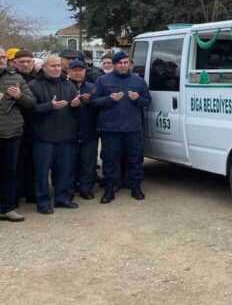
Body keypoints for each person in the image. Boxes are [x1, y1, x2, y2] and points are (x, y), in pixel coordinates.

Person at [91, 51, 151, 203]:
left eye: (126, 63)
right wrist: (109, 99)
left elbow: (147, 101)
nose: (123, 66)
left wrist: (138, 99)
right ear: (114, 64)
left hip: (133, 128)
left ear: (129, 64)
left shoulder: (138, 81)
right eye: (120, 63)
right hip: (110, 129)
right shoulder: (102, 80)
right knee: (110, 160)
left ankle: (136, 187)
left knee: (135, 159)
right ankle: (109, 190)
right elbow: (94, 101)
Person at [29, 55, 81, 214]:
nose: (57, 68)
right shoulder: (34, 85)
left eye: (58, 65)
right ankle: (43, 202)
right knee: (42, 173)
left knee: (64, 171)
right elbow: (31, 109)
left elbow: (75, 105)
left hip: (66, 136)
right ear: (43, 67)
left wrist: (76, 104)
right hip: (44, 138)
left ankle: (61, 199)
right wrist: (49, 106)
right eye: (52, 66)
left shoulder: (68, 84)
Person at [0, 47, 35, 222]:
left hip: (11, 134)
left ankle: (8, 208)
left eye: (3, 57)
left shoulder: (15, 78)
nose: (1, 60)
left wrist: (19, 96)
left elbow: (31, 103)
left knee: (9, 172)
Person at [67, 60, 99, 200]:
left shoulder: (93, 87)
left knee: (89, 162)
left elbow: (100, 106)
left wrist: (90, 101)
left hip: (89, 130)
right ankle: (70, 189)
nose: (78, 72)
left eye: (81, 70)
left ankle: (86, 188)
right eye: (75, 70)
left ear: (85, 71)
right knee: (70, 163)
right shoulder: (64, 86)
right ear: (68, 71)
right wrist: (71, 104)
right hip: (69, 131)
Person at [11, 50, 37, 205]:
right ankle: (15, 194)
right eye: (22, 61)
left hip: (35, 125)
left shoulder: (39, 78)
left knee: (34, 162)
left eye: (28, 61)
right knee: (15, 164)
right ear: (15, 63)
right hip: (15, 127)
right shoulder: (9, 78)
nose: (26, 64)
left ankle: (31, 192)